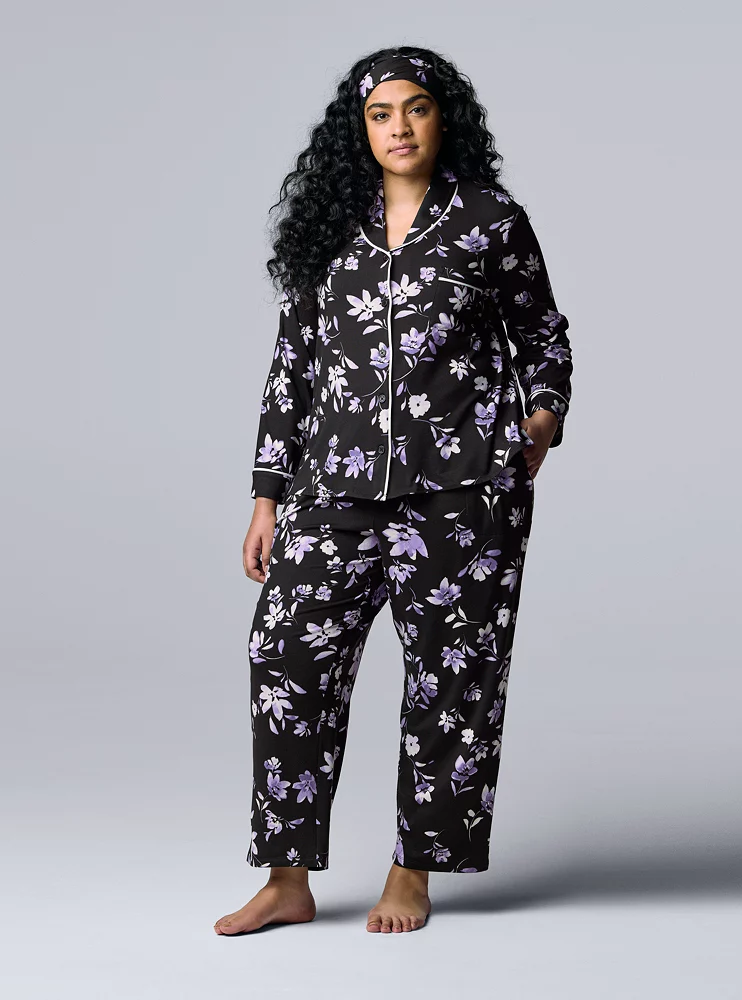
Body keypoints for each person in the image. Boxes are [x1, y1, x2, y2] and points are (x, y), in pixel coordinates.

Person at [215, 45, 573, 936]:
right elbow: (293, 368)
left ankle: (412, 871)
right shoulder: (331, 227)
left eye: (416, 108)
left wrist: (539, 422)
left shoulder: (489, 219)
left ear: (444, 118)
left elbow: (543, 336)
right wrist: (267, 496)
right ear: (361, 129)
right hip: (332, 487)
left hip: (464, 490)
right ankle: (287, 877)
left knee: (453, 680)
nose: (399, 127)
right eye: (381, 114)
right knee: (284, 655)